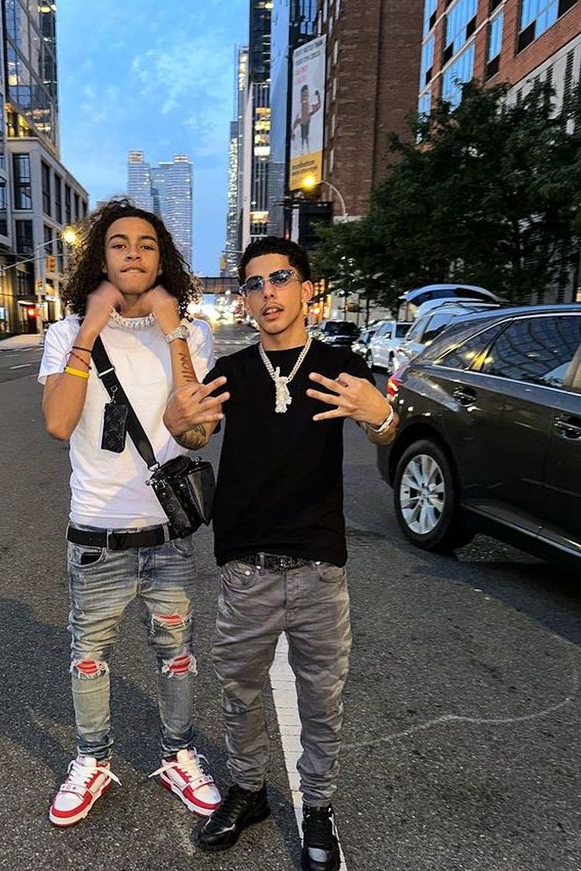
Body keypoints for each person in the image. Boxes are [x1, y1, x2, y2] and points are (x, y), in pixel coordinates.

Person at [163, 236, 398, 870]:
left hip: (320, 568)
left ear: (306, 289)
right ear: (243, 298)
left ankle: (318, 809)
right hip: (246, 569)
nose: (267, 292)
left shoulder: (338, 365)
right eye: (255, 283)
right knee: (239, 691)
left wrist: (380, 417)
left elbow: (384, 424)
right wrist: (176, 408)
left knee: (323, 699)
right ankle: (248, 791)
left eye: (281, 278)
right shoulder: (233, 373)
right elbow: (193, 431)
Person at [38, 198, 222, 828]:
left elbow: (199, 433)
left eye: (146, 243)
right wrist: (90, 328)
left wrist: (172, 329)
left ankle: (177, 755)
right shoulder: (67, 334)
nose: (134, 253)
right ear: (101, 256)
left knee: (176, 654)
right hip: (97, 534)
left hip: (168, 534)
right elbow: (60, 423)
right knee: (89, 656)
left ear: (161, 257)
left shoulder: (192, 334)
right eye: (119, 243)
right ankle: (93, 760)